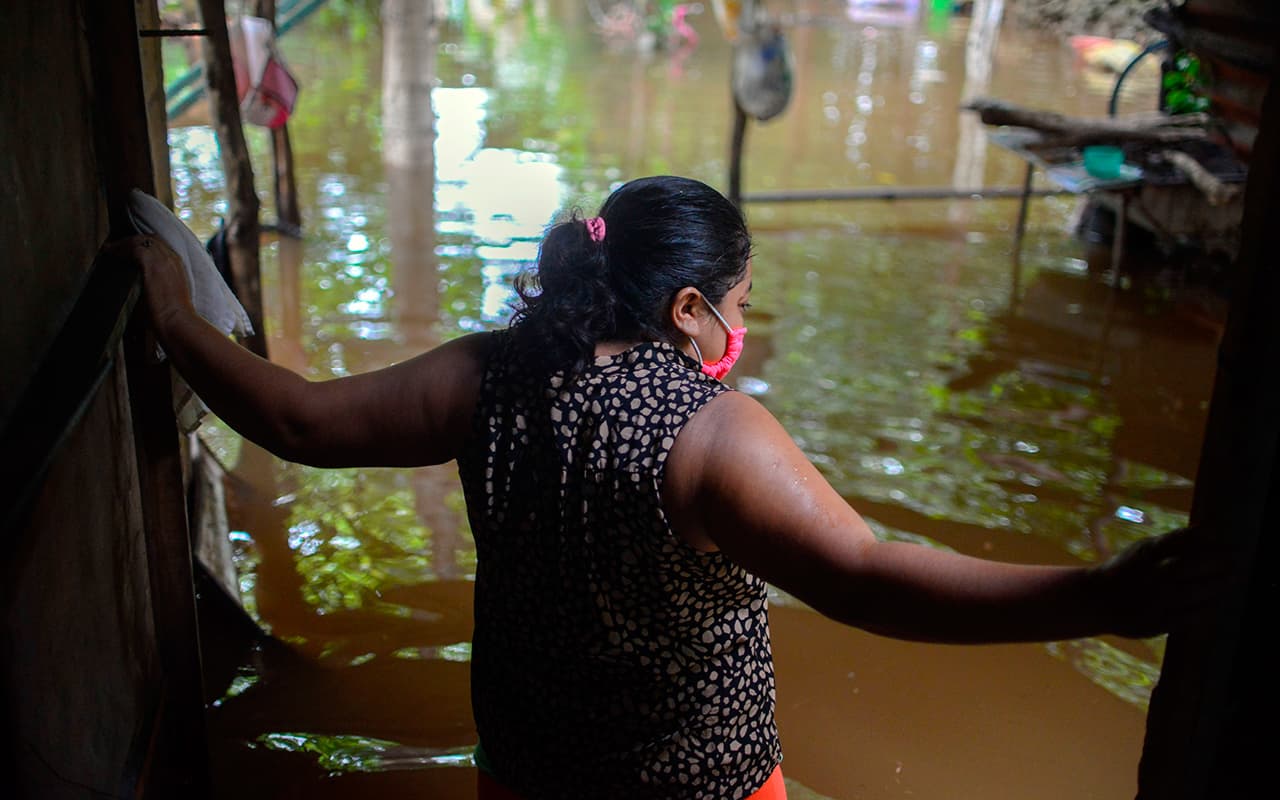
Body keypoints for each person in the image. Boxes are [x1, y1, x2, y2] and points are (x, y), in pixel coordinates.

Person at [112, 175, 1220, 800]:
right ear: (688, 307)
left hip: (528, 776)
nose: (741, 325)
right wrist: (1095, 596)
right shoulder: (712, 436)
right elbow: (869, 578)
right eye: (736, 301)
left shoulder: (485, 375)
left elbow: (294, 416)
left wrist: (169, 315)